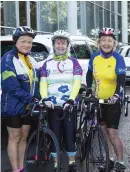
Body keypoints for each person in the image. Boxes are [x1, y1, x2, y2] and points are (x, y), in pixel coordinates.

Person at [39, 30, 82, 172]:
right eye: (58, 42)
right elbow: (43, 83)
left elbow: (76, 83)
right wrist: (45, 98)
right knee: (54, 136)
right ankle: (57, 163)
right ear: (53, 45)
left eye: (63, 43)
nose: (61, 46)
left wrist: (71, 100)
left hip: (68, 105)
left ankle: (71, 163)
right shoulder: (46, 64)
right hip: (52, 105)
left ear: (68, 45)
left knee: (70, 135)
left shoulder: (74, 63)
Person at [86, 27, 127, 172]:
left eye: (109, 41)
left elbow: (122, 80)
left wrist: (116, 95)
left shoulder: (118, 58)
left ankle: (120, 161)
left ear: (114, 43)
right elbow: (89, 74)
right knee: (103, 132)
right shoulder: (95, 57)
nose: (106, 43)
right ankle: (109, 160)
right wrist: (90, 91)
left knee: (112, 132)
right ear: (99, 43)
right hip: (99, 101)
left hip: (112, 101)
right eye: (103, 40)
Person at [1, 26, 40, 172]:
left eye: (29, 42)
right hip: (12, 106)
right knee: (15, 138)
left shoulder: (31, 59)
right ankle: (15, 169)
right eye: (23, 41)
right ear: (15, 42)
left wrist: (38, 98)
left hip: (28, 106)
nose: (26, 45)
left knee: (24, 137)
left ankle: (22, 167)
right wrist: (31, 99)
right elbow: (11, 86)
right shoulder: (8, 59)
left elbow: (37, 81)